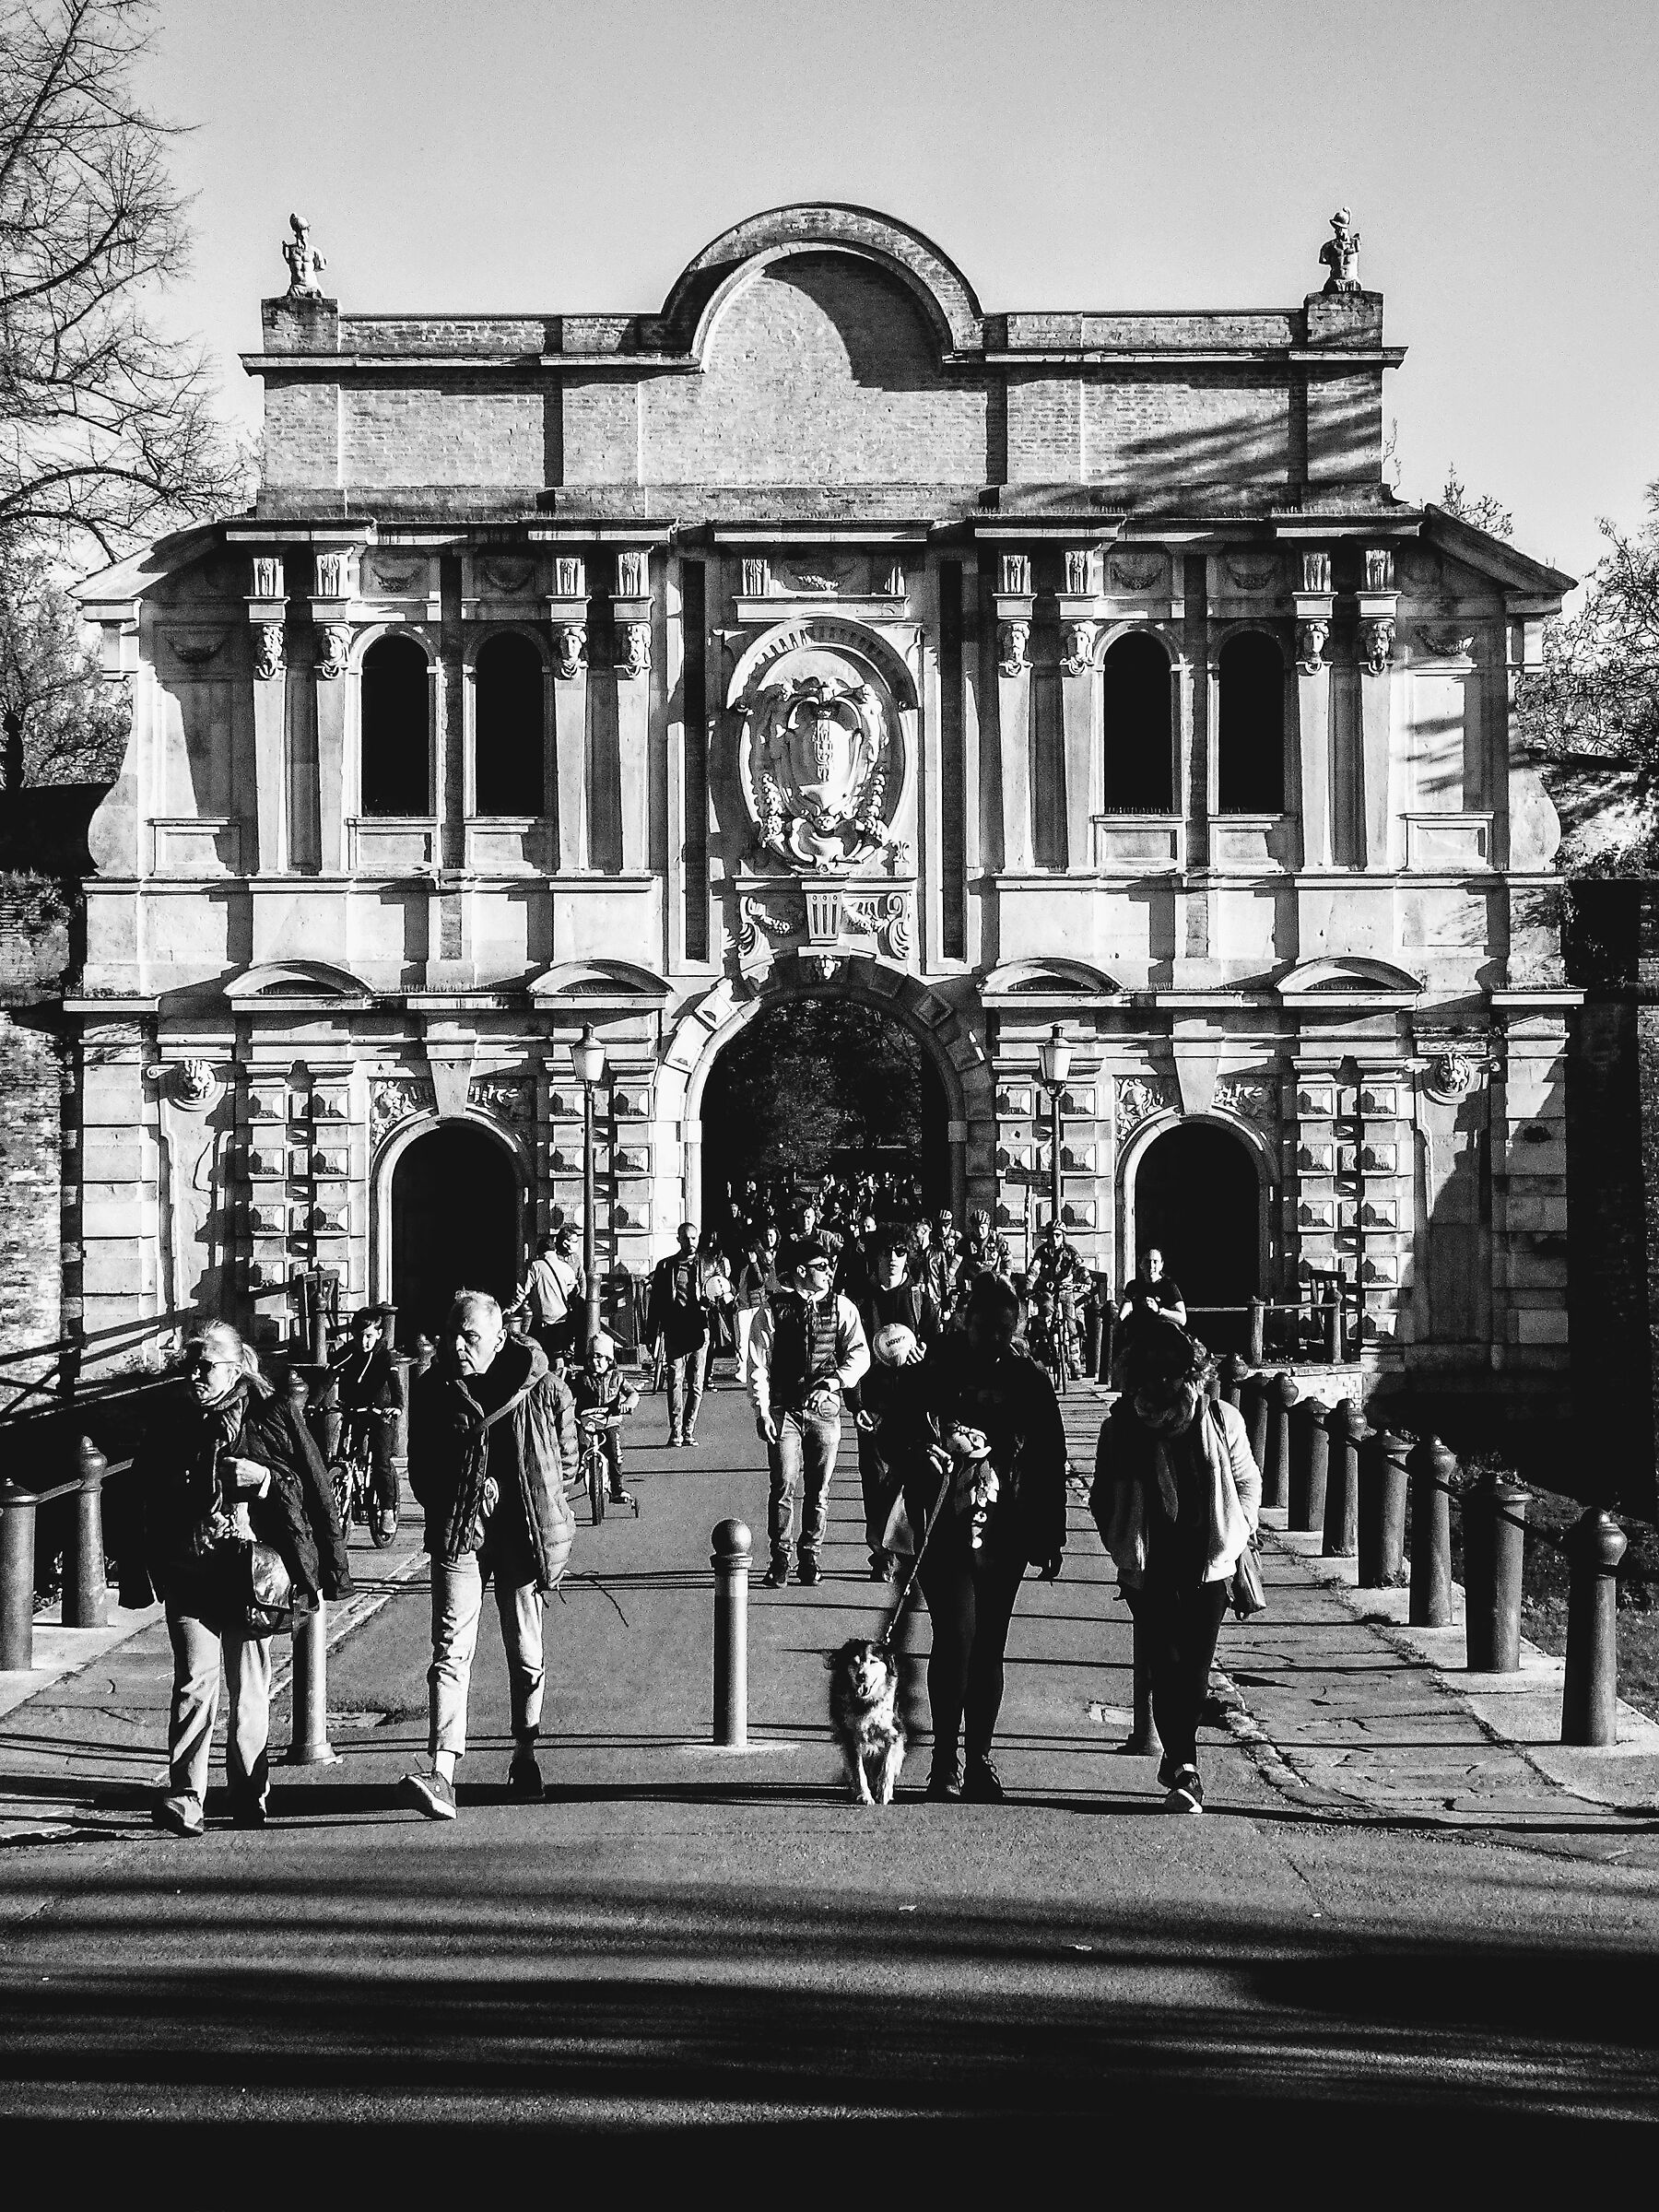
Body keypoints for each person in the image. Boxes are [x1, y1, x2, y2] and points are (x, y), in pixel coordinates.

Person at [123, 1322, 351, 1837]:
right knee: (192, 1684)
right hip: (190, 1568)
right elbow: (144, 1494)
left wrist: (266, 1482)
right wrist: (151, 1559)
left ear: (236, 1367)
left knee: (249, 1687)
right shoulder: (173, 1417)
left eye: (206, 1365)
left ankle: (249, 1793)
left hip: (250, 1575)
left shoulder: (272, 1413)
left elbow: (313, 1487)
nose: (195, 1374)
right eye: (190, 1364)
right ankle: (187, 1797)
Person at [886, 1274, 1066, 1803]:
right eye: (984, 1323)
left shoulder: (1030, 1379)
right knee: (956, 1639)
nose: (994, 1334)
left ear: (1016, 1324)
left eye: (1004, 1325)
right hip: (944, 1524)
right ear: (965, 1320)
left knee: (990, 1647)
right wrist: (923, 1448)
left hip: (1005, 1524)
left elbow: (1050, 1459)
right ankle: (945, 1758)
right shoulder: (932, 1372)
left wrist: (1050, 1535)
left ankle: (981, 1756)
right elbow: (892, 1433)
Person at [403, 1290, 575, 1819]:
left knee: (525, 1650)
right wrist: (467, 1488)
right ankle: (443, 1772)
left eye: (470, 1336)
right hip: (462, 1531)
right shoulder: (434, 1389)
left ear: (499, 1339)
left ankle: (525, 1753)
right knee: (451, 1649)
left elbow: (565, 1460)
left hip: (521, 1533)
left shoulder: (543, 1386)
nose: (456, 1345)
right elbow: (420, 1471)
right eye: (451, 1333)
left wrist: (530, 1496)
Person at [1092, 1319, 1260, 1814]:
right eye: (1152, 1373)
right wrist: (1121, 1545)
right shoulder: (1120, 1426)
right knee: (1165, 1667)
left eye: (1172, 1373)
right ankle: (1186, 1768)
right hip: (1150, 1564)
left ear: (1190, 1374)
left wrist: (1239, 1531)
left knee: (1194, 1670)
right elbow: (1103, 1497)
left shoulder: (1221, 1419)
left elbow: (1248, 1481)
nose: (1161, 1385)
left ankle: (1179, 1761)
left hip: (1209, 1564)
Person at [747, 1238, 870, 1589]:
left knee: (819, 1488)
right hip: (785, 1410)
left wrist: (834, 1382)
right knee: (784, 1483)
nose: (829, 1272)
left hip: (825, 1411)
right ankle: (780, 1558)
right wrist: (762, 1410)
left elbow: (859, 1354)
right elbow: (758, 1364)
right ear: (801, 1271)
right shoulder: (771, 1310)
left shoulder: (842, 1307)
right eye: (821, 1267)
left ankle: (810, 1556)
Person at [852, 1229, 941, 1582]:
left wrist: (926, 1354)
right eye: (886, 1252)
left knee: (915, 1480)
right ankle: (882, 1554)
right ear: (874, 1258)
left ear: (908, 1257)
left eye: (900, 1252)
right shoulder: (859, 1301)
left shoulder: (920, 1300)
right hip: (874, 1405)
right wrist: (855, 1401)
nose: (892, 1258)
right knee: (874, 1480)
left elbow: (938, 1344)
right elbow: (847, 1354)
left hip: (914, 1406)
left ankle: (914, 1550)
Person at [328, 1304, 404, 1541]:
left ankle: (388, 1509)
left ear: (379, 1334)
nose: (364, 1342)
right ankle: (342, 1497)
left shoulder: (384, 1356)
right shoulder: (347, 1352)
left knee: (381, 1460)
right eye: (359, 1336)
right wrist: (312, 1404)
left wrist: (397, 1407)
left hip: (381, 1413)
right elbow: (327, 1378)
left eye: (370, 1336)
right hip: (354, 1410)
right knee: (345, 1453)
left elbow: (395, 1384)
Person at [646, 1222, 713, 1447]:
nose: (691, 1242)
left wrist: (713, 1301)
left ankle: (689, 1429)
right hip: (675, 1330)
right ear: (678, 1240)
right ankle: (675, 1431)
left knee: (696, 1383)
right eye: (686, 1238)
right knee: (674, 1380)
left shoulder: (708, 1264)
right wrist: (651, 1333)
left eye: (694, 1238)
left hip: (699, 1330)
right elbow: (655, 1303)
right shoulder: (666, 1267)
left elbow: (722, 1291)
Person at [569, 1331, 639, 1509]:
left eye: (599, 1357)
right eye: (591, 1358)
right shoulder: (581, 1379)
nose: (594, 1362)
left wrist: (627, 1404)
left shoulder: (617, 1377)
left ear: (609, 1359)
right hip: (586, 1422)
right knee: (578, 1445)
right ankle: (579, 1468)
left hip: (609, 1421)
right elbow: (568, 1396)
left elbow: (632, 1393)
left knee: (614, 1453)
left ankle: (618, 1488)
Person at [508, 1230, 582, 1362]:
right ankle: (560, 1377)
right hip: (562, 1318)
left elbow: (522, 1291)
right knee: (558, 1353)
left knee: (537, 1352)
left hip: (543, 1320)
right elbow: (573, 1288)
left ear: (540, 1251)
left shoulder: (535, 1266)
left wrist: (511, 1308)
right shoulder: (566, 1267)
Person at [1117, 1245, 1187, 1335]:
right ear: (1140, 1264)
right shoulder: (1133, 1286)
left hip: (1163, 1334)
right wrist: (1122, 1315)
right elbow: (1126, 1308)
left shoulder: (1168, 1286)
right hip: (1138, 1334)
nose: (1151, 1266)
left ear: (1161, 1265)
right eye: (1147, 1261)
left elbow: (1182, 1319)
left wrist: (1159, 1310)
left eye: (1155, 1262)